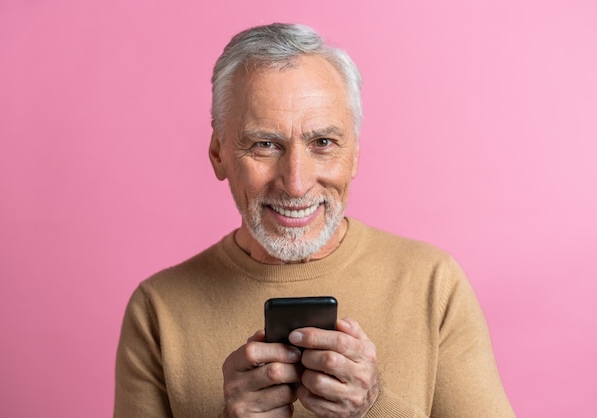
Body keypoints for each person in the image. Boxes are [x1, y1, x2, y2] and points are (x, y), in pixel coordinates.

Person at [114, 23, 515, 417]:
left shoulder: (434, 284)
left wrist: (374, 408)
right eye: (265, 144)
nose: (296, 184)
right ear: (219, 154)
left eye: (323, 143)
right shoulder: (158, 310)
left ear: (354, 154)